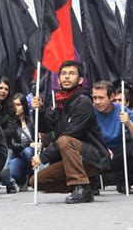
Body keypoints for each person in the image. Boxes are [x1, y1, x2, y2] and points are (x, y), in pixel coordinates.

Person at [30, 61, 110, 204]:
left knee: (65, 140)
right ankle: (87, 184)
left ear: (80, 80)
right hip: (70, 158)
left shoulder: (83, 102)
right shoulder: (62, 102)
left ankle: (81, 187)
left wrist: (43, 157)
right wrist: (39, 111)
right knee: (36, 181)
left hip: (92, 157)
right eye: (63, 74)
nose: (66, 77)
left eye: (72, 73)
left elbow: (72, 134)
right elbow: (45, 126)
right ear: (59, 78)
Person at [92, 81, 133, 194]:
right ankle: (90, 184)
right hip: (97, 152)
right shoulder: (90, 110)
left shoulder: (122, 109)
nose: (97, 102)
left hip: (118, 153)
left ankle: (125, 183)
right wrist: (102, 147)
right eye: (94, 98)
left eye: (101, 98)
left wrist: (129, 123)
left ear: (111, 97)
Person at [0, 77, 19, 193]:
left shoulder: (11, 109)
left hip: (5, 146)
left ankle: (10, 183)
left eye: (6, 89)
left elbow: (11, 131)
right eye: (0, 88)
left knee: (3, 168)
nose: (3, 91)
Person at [9, 93, 39, 191]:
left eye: (18, 105)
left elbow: (40, 135)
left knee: (28, 152)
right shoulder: (10, 122)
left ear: (24, 105)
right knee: (12, 172)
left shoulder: (32, 119)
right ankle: (23, 180)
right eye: (13, 105)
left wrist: (39, 143)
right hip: (18, 155)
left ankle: (31, 177)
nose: (15, 107)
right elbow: (13, 145)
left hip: (32, 154)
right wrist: (29, 144)